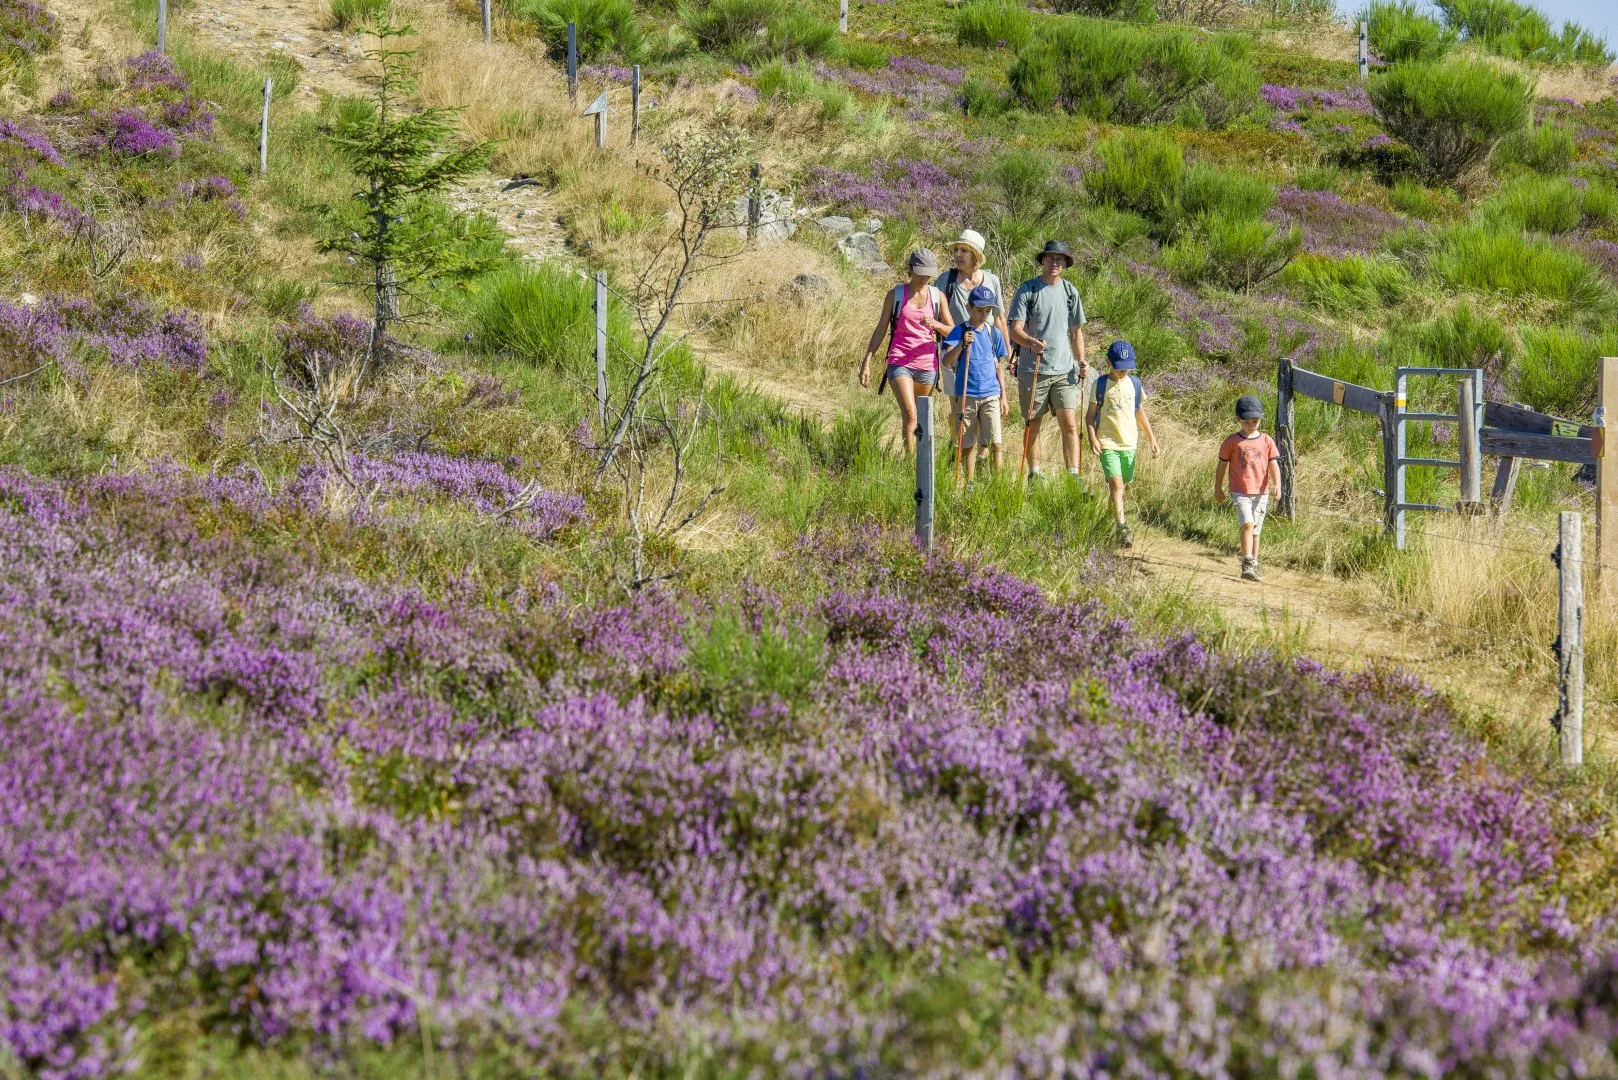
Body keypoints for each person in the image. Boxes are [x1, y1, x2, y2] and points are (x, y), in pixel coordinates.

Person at [859, 249, 953, 454]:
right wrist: (867, 361)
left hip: (928, 365)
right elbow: (881, 328)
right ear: (910, 269)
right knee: (910, 414)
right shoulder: (895, 295)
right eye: (920, 272)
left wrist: (936, 325)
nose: (924, 278)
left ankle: (922, 465)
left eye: (928, 273)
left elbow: (952, 332)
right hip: (899, 361)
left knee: (922, 417)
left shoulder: (938, 297)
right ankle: (910, 463)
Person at [1008, 241, 1088, 480]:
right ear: (1042, 260)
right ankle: (1034, 475)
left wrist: (1082, 360)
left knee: (1070, 424)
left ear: (1065, 264)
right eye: (1051, 258)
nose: (1055, 263)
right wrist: (1031, 342)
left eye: (1060, 259)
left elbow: (1076, 332)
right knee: (1033, 424)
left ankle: (1073, 477)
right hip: (1033, 369)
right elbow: (1015, 330)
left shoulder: (1070, 292)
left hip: (1064, 370)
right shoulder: (1028, 290)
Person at [936, 230, 1009, 443]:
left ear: (976, 255)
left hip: (986, 352)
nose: (958, 255)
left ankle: (981, 454)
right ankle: (957, 446)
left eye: (964, 251)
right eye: (956, 250)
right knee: (958, 405)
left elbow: (999, 318)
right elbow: (934, 313)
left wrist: (1007, 352)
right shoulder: (945, 280)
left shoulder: (992, 281)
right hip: (954, 349)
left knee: (987, 403)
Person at [1084, 340, 1158, 548]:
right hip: (1108, 443)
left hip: (1129, 445)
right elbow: (1090, 417)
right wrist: (1092, 437)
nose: (1123, 371)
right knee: (1116, 486)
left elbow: (1139, 412)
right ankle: (1122, 528)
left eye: (1127, 368)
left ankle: (1106, 521)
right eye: (1119, 368)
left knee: (1120, 488)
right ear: (1109, 362)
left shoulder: (1134, 384)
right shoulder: (1098, 385)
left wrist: (1152, 439)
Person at [940, 285, 1010, 481]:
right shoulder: (959, 330)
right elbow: (945, 361)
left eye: (988, 311)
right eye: (979, 310)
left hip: (991, 395)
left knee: (996, 443)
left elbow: (998, 366)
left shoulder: (993, 332)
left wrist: (1003, 396)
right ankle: (969, 482)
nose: (983, 315)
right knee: (968, 443)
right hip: (966, 395)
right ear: (968, 307)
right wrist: (962, 344)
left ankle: (998, 484)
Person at [1214, 394, 1281, 582]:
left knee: (1256, 530)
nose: (1252, 425)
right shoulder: (1232, 441)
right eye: (1247, 422)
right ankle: (1247, 561)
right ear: (1238, 420)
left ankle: (1254, 562)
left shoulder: (1266, 440)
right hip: (1240, 491)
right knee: (1247, 524)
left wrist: (1278, 485)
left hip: (1261, 492)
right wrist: (1217, 488)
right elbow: (1221, 465)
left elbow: (1273, 464)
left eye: (1255, 421)